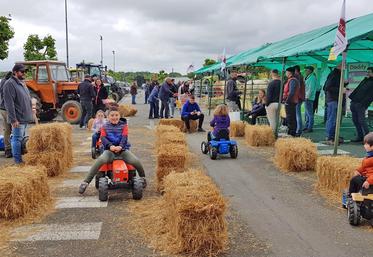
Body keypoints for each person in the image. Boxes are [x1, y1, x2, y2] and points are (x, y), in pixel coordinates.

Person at [79, 106, 146, 194]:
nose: (114, 117)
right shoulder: (104, 126)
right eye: (112, 115)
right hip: (110, 151)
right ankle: (86, 182)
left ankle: (143, 178)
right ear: (108, 117)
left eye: (116, 115)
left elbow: (124, 138)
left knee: (136, 161)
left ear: (119, 115)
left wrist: (121, 146)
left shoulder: (124, 125)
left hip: (122, 151)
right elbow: (103, 138)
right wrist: (110, 146)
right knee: (100, 160)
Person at [3, 64, 34, 164]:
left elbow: (27, 98)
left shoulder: (22, 83)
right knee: (16, 139)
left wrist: (32, 107)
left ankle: (20, 159)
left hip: (24, 117)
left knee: (21, 140)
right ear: (15, 72)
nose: (24, 73)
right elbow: (9, 103)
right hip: (18, 118)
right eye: (22, 72)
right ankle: (18, 161)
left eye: (25, 71)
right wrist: (13, 119)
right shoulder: (9, 84)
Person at [349, 67, 373, 143]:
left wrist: (363, 103)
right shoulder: (365, 80)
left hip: (361, 104)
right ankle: (360, 136)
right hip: (354, 102)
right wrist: (352, 98)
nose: (367, 73)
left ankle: (368, 139)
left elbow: (371, 95)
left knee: (361, 121)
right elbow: (357, 89)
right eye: (367, 72)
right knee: (355, 120)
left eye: (369, 72)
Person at [324, 64, 346, 144]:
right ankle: (330, 137)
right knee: (332, 119)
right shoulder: (334, 74)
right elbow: (327, 87)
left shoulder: (338, 74)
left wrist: (344, 84)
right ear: (339, 66)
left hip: (335, 99)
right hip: (333, 100)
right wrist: (341, 89)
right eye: (344, 65)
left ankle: (332, 136)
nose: (345, 67)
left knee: (335, 119)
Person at [282, 67, 300, 137]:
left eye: (286, 72)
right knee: (290, 117)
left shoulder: (293, 80)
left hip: (291, 102)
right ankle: (291, 131)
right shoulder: (291, 80)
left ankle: (292, 132)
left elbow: (291, 92)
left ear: (289, 73)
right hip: (290, 101)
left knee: (291, 117)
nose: (285, 73)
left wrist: (287, 101)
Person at [0, 71, 13, 158]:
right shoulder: (7, 83)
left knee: (8, 130)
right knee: (8, 130)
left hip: (4, 108)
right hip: (6, 109)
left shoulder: (3, 81)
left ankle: (9, 149)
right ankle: (8, 149)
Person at [303, 66, 318, 133]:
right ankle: (307, 126)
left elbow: (311, 88)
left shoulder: (312, 78)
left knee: (309, 114)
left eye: (307, 70)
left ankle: (309, 127)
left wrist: (307, 97)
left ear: (310, 71)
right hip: (307, 97)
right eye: (305, 70)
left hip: (309, 98)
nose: (305, 71)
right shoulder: (309, 77)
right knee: (307, 113)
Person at [294, 65, 305, 136]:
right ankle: (299, 129)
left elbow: (298, 88)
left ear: (296, 70)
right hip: (300, 97)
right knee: (298, 114)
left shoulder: (298, 77)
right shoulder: (300, 76)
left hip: (298, 97)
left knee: (297, 114)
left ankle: (299, 129)